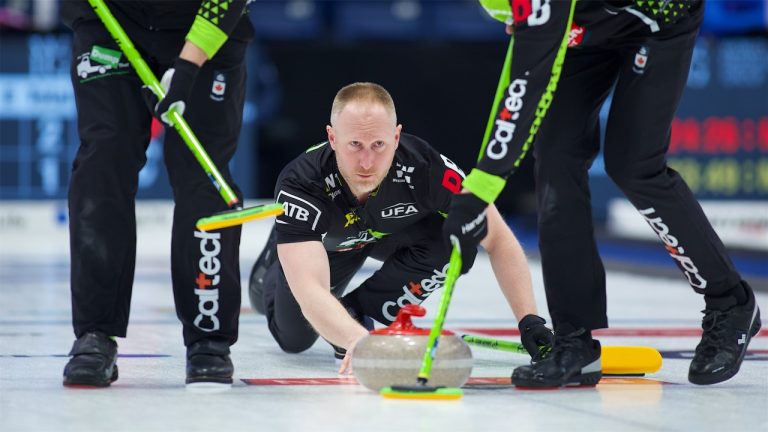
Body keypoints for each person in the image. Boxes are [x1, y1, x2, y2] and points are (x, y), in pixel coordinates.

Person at [443, 0, 762, 387]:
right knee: (557, 162)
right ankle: (574, 339)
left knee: (634, 165)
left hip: (657, 22)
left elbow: (524, 82)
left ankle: (729, 302)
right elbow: (522, 70)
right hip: (581, 31)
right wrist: (480, 185)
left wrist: (479, 189)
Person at [248, 82, 553, 373]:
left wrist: (529, 320)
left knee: (460, 242)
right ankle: (277, 256)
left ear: (396, 138)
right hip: (329, 245)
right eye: (354, 144)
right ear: (332, 138)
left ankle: (358, 310)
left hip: (386, 232)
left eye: (378, 144)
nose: (367, 162)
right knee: (294, 340)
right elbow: (310, 289)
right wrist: (358, 341)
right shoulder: (301, 184)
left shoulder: (426, 168)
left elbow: (497, 238)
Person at [61, 0, 253, 387]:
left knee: (204, 175)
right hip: (109, 19)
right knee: (103, 163)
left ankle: (208, 338)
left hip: (202, 29)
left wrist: (187, 67)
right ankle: (95, 334)